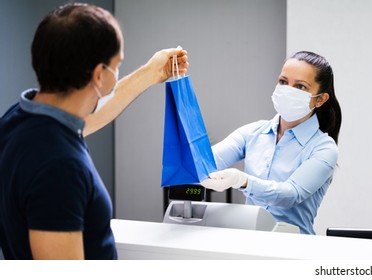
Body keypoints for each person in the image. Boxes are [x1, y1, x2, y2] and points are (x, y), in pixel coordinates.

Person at [0, 3, 189, 259]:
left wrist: (150, 73)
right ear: (99, 74)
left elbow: (89, 118)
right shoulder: (59, 167)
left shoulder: (19, 121)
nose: (117, 71)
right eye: (117, 64)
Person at [201, 51, 341, 235]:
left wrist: (242, 181)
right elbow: (205, 160)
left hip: (294, 249)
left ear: (320, 99)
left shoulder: (324, 148)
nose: (288, 90)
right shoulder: (252, 133)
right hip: (249, 242)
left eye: (300, 86)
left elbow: (290, 195)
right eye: (283, 82)